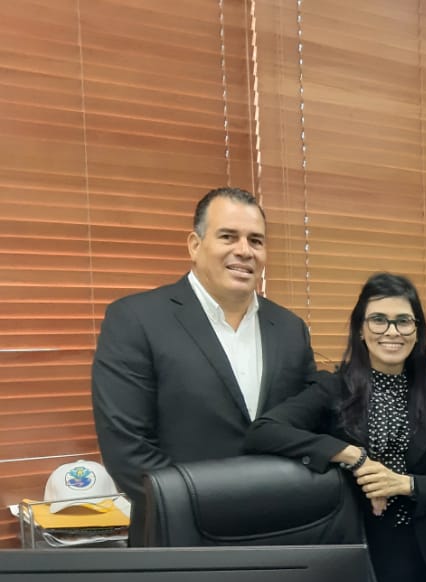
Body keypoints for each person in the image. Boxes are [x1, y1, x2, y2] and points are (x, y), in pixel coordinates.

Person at [245, 273, 426, 582]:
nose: (391, 331)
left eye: (404, 321)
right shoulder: (334, 390)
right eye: (378, 320)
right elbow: (264, 431)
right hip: (371, 561)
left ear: (417, 331)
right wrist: (352, 456)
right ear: (361, 330)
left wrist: (404, 484)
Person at [92, 187, 316, 511]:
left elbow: (309, 425)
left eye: (256, 241)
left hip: (280, 527)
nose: (244, 251)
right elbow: (129, 450)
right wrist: (211, 509)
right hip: (183, 538)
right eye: (228, 237)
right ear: (195, 246)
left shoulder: (290, 328)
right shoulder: (135, 319)